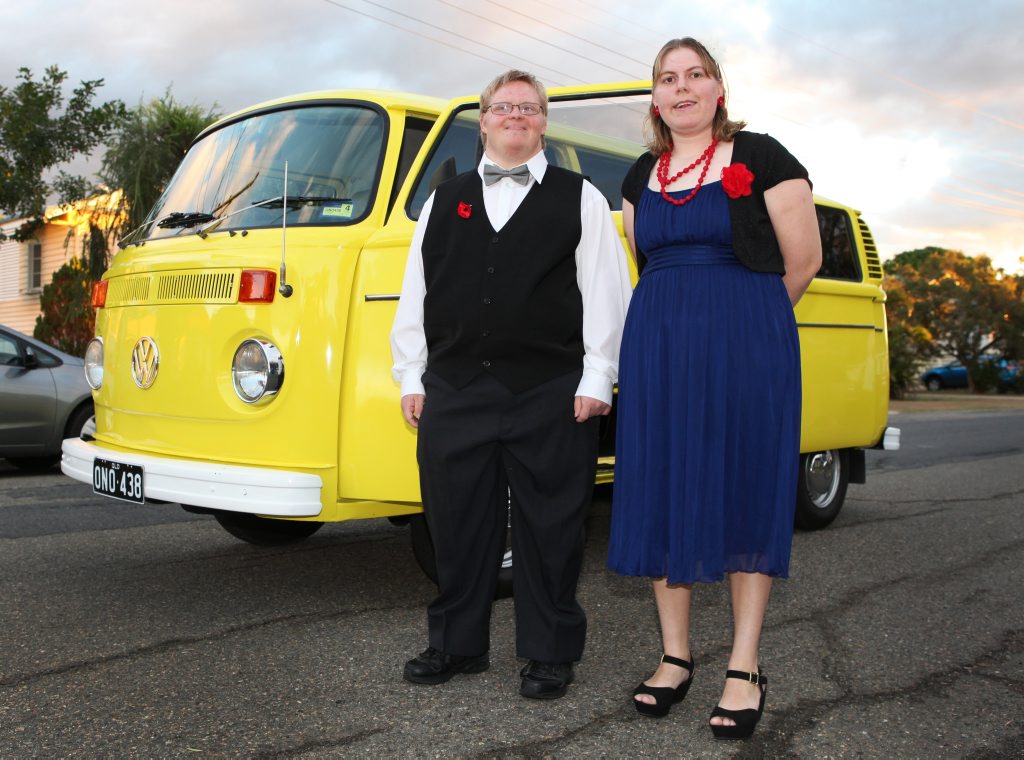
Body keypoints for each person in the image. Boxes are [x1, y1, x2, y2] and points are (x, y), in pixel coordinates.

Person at [391, 70, 632, 700]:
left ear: (544, 121)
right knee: (455, 523)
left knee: (551, 528)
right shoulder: (444, 200)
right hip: (455, 390)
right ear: (485, 118)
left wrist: (598, 376)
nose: (516, 117)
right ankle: (456, 644)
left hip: (550, 391)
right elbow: (416, 292)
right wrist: (411, 374)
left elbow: (608, 293)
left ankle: (550, 652)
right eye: (504, 107)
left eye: (528, 108)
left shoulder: (582, 198)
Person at [606, 38, 822, 738]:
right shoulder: (642, 174)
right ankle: (675, 657)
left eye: (696, 74)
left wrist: (748, 328)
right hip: (661, 349)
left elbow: (804, 260)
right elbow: (646, 262)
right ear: (655, 98)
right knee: (665, 487)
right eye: (668, 78)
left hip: (746, 346)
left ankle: (744, 664)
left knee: (741, 489)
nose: (682, 87)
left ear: (718, 88)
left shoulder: (763, 156)